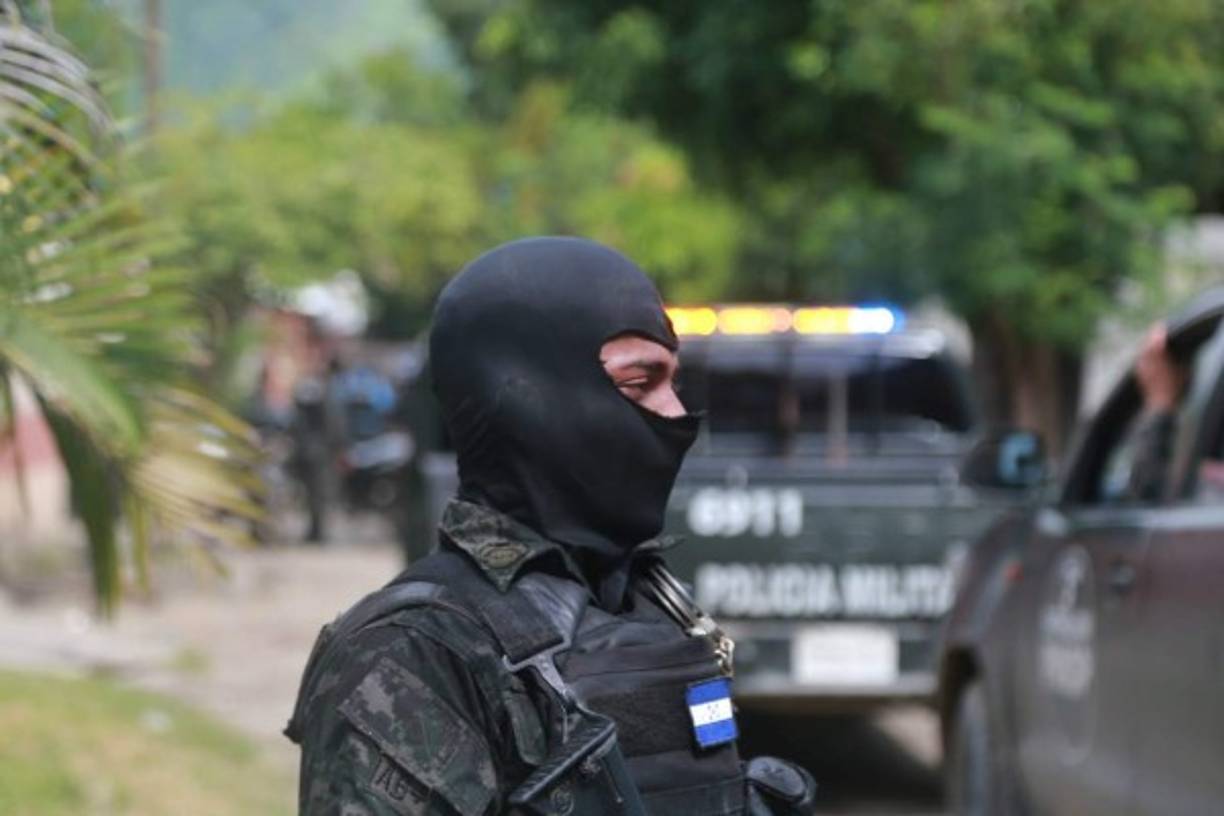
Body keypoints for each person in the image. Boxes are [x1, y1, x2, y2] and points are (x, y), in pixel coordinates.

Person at [286, 237, 816, 815]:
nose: (676, 414)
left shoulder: (646, 599)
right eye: (640, 383)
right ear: (528, 396)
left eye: (673, 383)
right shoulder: (416, 649)